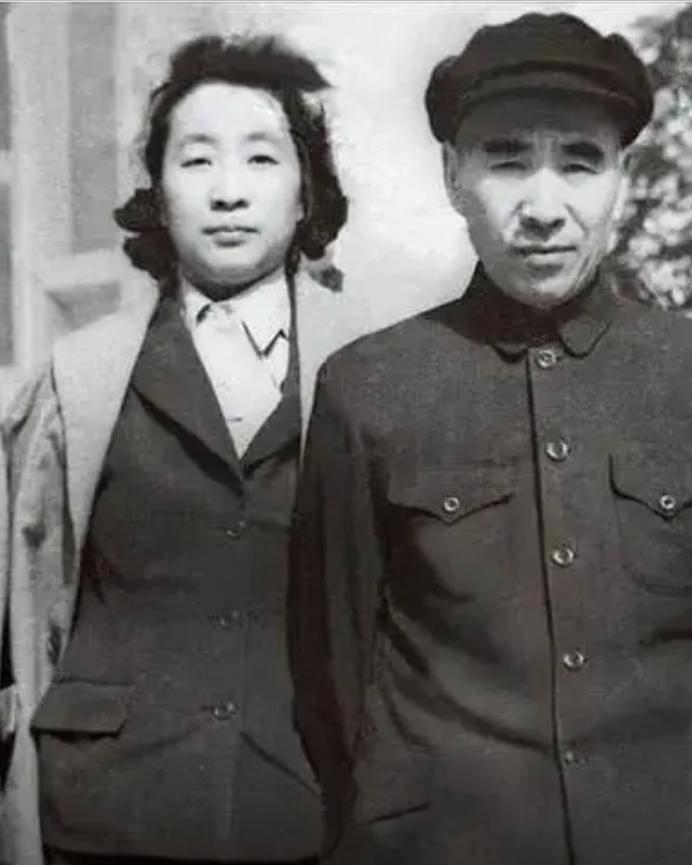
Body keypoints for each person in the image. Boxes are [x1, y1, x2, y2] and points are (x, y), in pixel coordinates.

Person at [289, 12, 692, 865]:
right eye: (507, 159)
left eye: (580, 162)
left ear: (622, 177)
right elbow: (334, 676)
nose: (544, 208)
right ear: (453, 175)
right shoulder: (366, 387)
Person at [1, 34, 348, 865]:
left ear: (307, 191)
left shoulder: (364, 370)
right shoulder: (79, 379)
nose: (228, 191)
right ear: (157, 192)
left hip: (306, 816)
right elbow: (26, 602)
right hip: (104, 817)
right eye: (196, 160)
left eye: (261, 158)